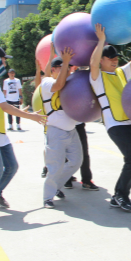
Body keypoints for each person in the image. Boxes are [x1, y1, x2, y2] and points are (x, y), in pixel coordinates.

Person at [0, 46, 46, 219]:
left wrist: (21, 111)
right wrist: (30, 116)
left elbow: (2, 105)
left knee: (12, 166)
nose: (5, 64)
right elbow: (5, 107)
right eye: (3, 61)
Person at [90, 25, 131, 212]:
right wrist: (101, 40)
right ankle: (121, 194)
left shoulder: (122, 72)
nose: (114, 60)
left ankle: (118, 196)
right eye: (110, 58)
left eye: (116, 57)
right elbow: (92, 63)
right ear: (102, 60)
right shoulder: (97, 77)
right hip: (115, 124)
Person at [40, 47, 84, 208]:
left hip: (71, 130)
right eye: (62, 68)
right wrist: (66, 61)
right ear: (53, 70)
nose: (67, 71)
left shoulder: (68, 84)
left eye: (68, 68)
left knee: (76, 161)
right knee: (55, 166)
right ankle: (47, 197)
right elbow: (58, 85)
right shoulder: (47, 82)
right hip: (56, 131)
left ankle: (56, 186)